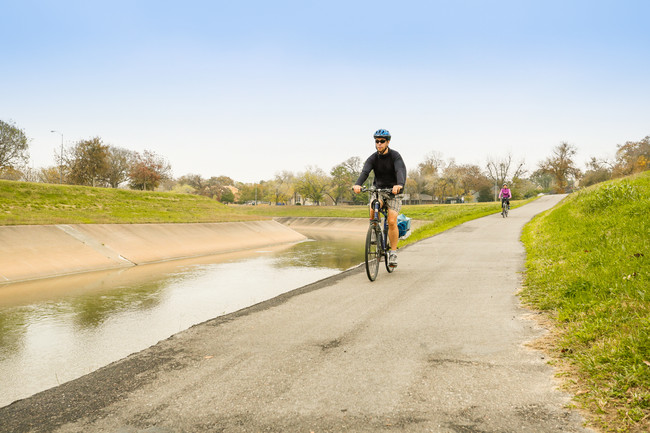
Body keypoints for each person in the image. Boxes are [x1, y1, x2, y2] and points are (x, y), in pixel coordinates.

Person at [353, 129, 407, 267]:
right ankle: (374, 231)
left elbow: (400, 170)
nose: (379, 144)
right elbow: (365, 172)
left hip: (394, 192)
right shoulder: (372, 158)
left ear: (388, 142)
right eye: (377, 141)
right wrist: (358, 184)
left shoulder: (395, 156)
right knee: (373, 208)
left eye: (382, 141)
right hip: (379, 190)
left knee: (392, 221)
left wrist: (399, 184)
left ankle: (393, 253)